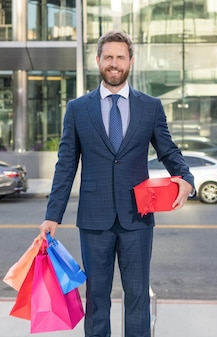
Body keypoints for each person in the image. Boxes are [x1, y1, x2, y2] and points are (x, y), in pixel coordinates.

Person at [39, 30, 195, 337]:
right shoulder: (77, 109)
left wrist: (187, 178)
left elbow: (168, 150)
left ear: (130, 62)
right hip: (94, 221)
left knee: (137, 297)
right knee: (97, 299)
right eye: (108, 57)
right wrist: (52, 215)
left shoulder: (150, 107)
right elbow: (66, 165)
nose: (114, 63)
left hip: (137, 218)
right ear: (97, 60)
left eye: (120, 57)